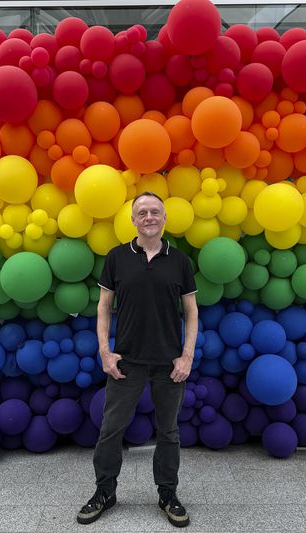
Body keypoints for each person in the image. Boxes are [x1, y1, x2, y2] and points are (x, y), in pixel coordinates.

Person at [76, 192, 198, 528]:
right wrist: (105, 351)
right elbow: (103, 306)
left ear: (164, 218)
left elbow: (191, 311)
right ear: (133, 220)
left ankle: (168, 493)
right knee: (110, 430)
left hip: (169, 363)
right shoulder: (117, 258)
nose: (148, 217)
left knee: (169, 432)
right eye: (141, 212)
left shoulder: (180, 261)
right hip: (125, 361)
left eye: (154, 211)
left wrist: (186, 356)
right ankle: (104, 492)